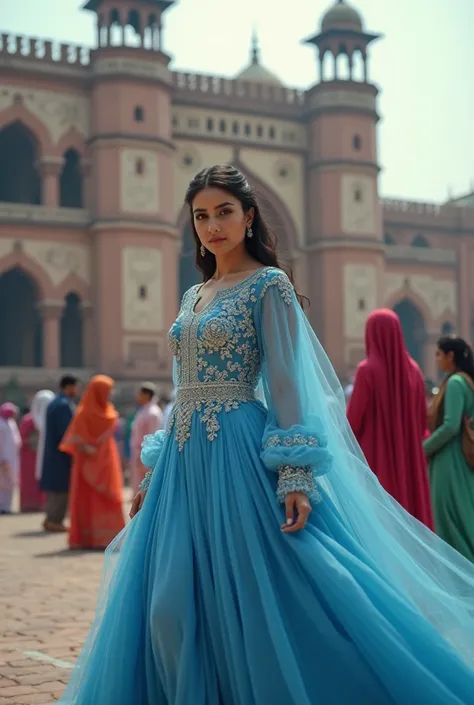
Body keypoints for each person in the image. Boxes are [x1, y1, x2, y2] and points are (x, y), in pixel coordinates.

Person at [58, 165, 474, 705]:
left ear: (249, 216)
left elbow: (283, 384)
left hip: (239, 453)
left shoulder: (269, 287)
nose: (212, 226)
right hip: (184, 463)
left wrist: (293, 476)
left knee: (262, 597)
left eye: (224, 212)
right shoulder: (194, 294)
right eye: (201, 215)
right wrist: (155, 469)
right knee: (166, 603)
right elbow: (182, 385)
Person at [347, 309, 434, 529]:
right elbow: (423, 423)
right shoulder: (415, 371)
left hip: (375, 458)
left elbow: (352, 422)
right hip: (410, 459)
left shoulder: (367, 370)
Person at [60, 375, 125, 550]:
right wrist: (86, 447)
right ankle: (87, 538)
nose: (110, 394)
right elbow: (75, 439)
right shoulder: (83, 413)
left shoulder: (109, 411)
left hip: (107, 461)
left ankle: (109, 538)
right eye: (107, 391)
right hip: (87, 464)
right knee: (88, 500)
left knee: (109, 496)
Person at [424, 336, 474, 561]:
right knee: (464, 513)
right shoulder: (465, 380)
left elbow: (451, 426)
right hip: (461, 458)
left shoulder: (455, 383)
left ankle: (461, 573)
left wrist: (423, 448)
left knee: (450, 519)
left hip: (450, 458)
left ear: (450, 356)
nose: (437, 359)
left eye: (439, 354)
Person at [40, 375, 78, 532]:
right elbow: (66, 432)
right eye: (76, 387)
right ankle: (55, 520)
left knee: (56, 487)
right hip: (62, 454)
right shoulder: (63, 405)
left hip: (53, 453)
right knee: (61, 487)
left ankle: (50, 518)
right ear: (68, 387)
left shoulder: (55, 403)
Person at [130, 383, 163, 493]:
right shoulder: (144, 410)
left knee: (146, 489)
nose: (137, 396)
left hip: (145, 456)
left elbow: (153, 437)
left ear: (147, 395)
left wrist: (145, 457)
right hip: (138, 453)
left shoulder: (153, 413)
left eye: (140, 394)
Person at [19, 406, 44, 512]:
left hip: (33, 455)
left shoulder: (27, 419)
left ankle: (34, 504)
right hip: (29, 455)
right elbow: (23, 438)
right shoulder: (29, 420)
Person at [0, 403, 21, 515]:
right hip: (3, 460)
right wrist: (2, 459)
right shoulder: (1, 424)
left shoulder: (11, 423)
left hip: (12, 459)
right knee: (1, 484)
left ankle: (7, 507)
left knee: (11, 483)